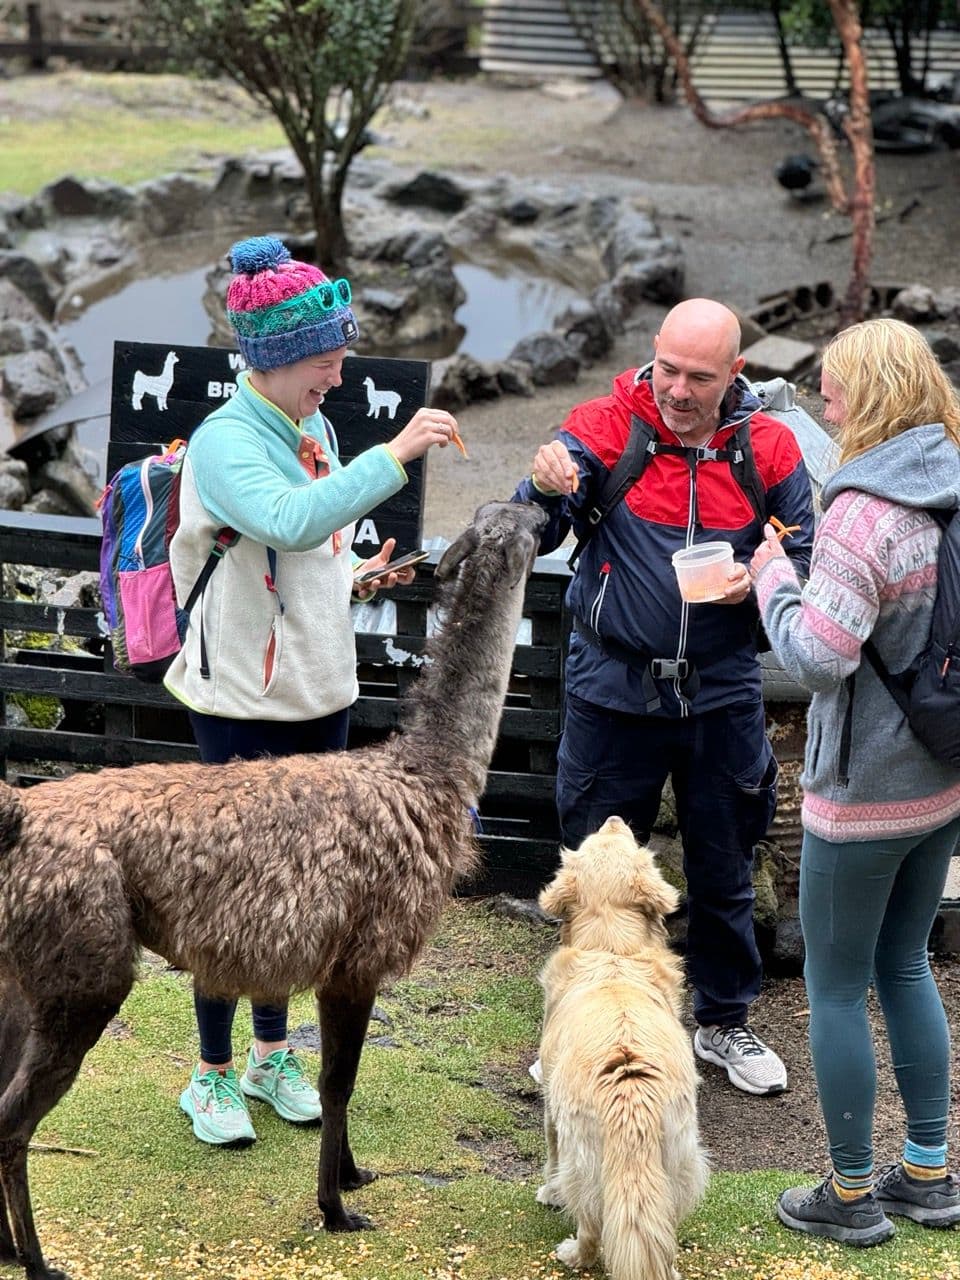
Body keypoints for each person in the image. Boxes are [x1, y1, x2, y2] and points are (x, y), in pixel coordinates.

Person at [165, 234, 462, 1146]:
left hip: (319, 690)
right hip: (242, 705)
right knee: (230, 889)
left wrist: (356, 574)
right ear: (278, 360)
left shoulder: (314, 427)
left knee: (304, 887)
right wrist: (398, 453)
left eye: (338, 363)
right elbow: (289, 520)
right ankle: (210, 1075)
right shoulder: (222, 444)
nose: (336, 380)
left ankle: (270, 1054)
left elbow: (309, 550)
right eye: (326, 365)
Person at [513, 297, 815, 1096]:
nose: (679, 390)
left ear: (735, 374)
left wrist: (754, 588)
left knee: (725, 865)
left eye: (700, 377)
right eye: (669, 369)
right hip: (612, 688)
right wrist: (544, 488)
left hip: (722, 690)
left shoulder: (770, 449)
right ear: (654, 356)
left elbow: (812, 559)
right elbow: (537, 530)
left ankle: (723, 1023)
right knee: (593, 873)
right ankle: (577, 1022)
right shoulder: (608, 425)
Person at [750, 317, 960, 1244]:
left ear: (868, 395)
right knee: (908, 965)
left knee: (834, 989)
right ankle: (928, 1172)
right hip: (944, 780)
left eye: (831, 391)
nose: (823, 405)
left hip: (863, 795)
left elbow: (818, 658)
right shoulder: (955, 482)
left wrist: (770, 579)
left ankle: (846, 1193)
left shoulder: (861, 508)